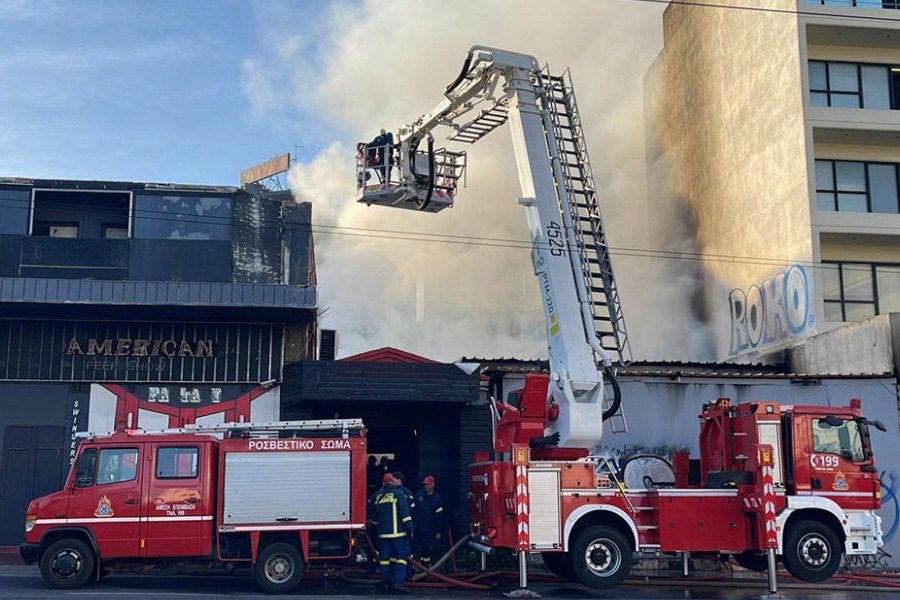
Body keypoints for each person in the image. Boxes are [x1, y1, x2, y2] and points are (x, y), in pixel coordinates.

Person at [368, 473, 414, 594]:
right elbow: (405, 514)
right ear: (392, 482)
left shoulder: (378, 497)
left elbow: (373, 518)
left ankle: (386, 581)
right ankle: (398, 583)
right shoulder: (399, 494)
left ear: (383, 483)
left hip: (383, 535)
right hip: (398, 534)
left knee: (384, 559)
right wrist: (410, 529)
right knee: (401, 558)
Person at [414, 475, 447, 569]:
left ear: (433, 484)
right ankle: (416, 566)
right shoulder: (419, 495)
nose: (425, 486)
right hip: (417, 527)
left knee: (426, 549)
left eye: (427, 484)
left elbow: (439, 517)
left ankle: (425, 568)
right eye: (424, 484)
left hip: (429, 529)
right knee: (415, 548)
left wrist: (439, 531)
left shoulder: (437, 499)